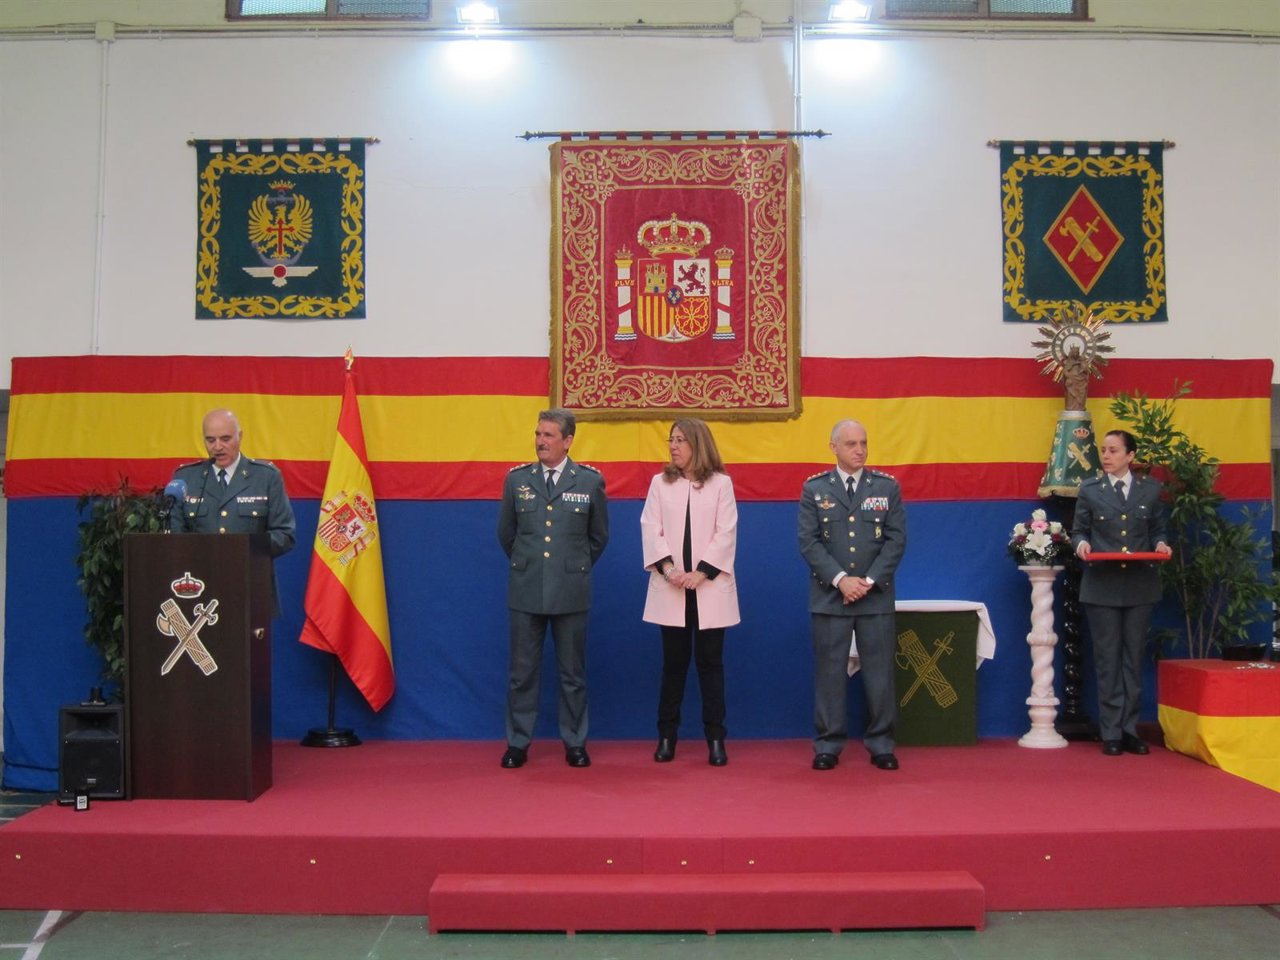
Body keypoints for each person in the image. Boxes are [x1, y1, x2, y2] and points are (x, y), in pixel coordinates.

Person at [497, 408, 609, 769]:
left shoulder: (589, 482)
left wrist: (570, 568)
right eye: (538, 434)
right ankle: (517, 743)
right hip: (526, 587)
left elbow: (598, 538)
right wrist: (533, 565)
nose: (541, 441)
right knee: (521, 674)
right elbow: (506, 535)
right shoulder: (517, 480)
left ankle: (575, 743)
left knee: (572, 674)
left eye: (548, 435)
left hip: (571, 590)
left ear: (567, 440)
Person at [797, 419, 907, 772]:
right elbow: (809, 542)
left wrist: (869, 581)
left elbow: (896, 540)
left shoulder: (886, 486)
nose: (859, 450)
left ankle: (882, 744)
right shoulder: (815, 489)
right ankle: (828, 744)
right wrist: (842, 580)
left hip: (875, 596)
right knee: (830, 674)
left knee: (879, 674)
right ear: (833, 447)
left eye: (863, 443)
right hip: (831, 596)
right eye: (851, 444)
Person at [640, 419, 739, 766]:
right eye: (672, 440)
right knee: (674, 665)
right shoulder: (660, 483)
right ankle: (667, 736)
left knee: (711, 665)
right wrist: (669, 570)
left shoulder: (720, 484)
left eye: (681, 440)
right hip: (672, 586)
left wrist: (702, 573)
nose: (673, 446)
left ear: (698, 444)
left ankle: (716, 739)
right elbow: (651, 528)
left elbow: (726, 531)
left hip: (708, 587)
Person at [1071, 429, 1171, 756]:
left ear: (1130, 456)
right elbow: (1079, 531)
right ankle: (1111, 731)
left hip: (1140, 586)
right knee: (1107, 660)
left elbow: (1157, 529)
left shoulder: (1150, 489)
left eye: (1113, 450)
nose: (1106, 456)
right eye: (1103, 450)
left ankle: (1130, 729)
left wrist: (1160, 544)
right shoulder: (1090, 489)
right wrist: (1081, 544)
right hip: (1102, 585)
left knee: (1133, 659)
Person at [170, 408, 296, 558]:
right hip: (200, 576)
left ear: (240, 437)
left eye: (225, 439)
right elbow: (175, 536)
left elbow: (284, 535)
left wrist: (242, 549)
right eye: (210, 440)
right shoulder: (186, 478)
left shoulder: (266, 477)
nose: (217, 447)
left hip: (250, 575)